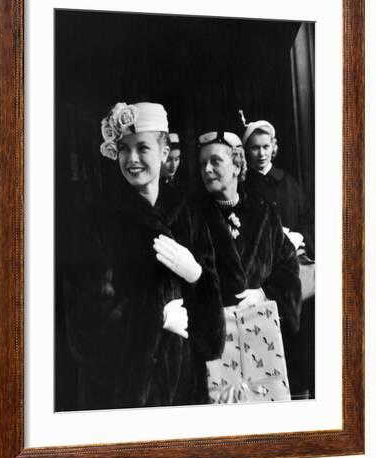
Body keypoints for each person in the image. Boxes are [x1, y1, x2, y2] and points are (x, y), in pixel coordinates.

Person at [64, 102, 225, 410]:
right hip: (121, 395)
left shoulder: (189, 215)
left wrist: (199, 277)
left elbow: (212, 340)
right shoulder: (96, 220)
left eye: (143, 147)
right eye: (124, 149)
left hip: (184, 392)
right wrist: (155, 317)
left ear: (164, 151)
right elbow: (83, 332)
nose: (132, 159)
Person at [196, 130, 302, 403]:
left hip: (264, 336)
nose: (207, 169)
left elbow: (288, 266)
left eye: (215, 161)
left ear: (237, 164)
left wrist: (266, 293)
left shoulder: (265, 212)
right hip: (216, 342)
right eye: (202, 164)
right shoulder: (192, 217)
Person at [241, 113, 314, 259]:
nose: (261, 153)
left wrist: (298, 236)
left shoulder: (288, 182)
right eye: (255, 148)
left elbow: (307, 219)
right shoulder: (242, 185)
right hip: (259, 259)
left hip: (294, 257)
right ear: (247, 150)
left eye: (266, 147)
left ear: (273, 147)